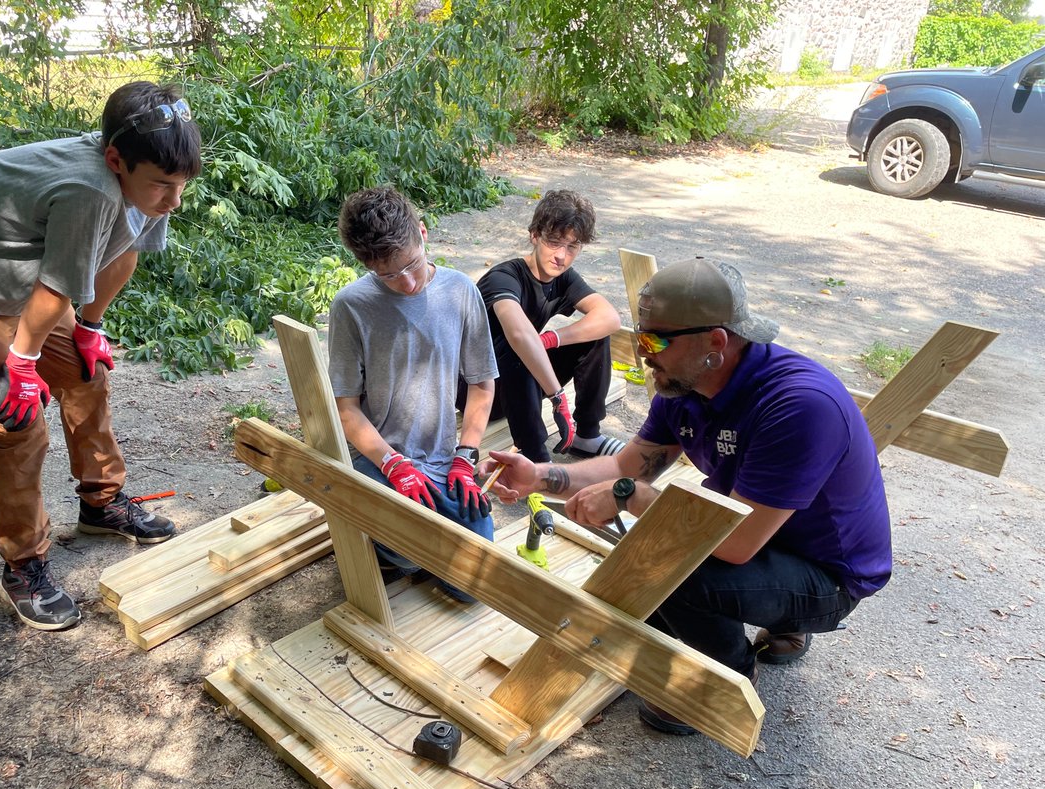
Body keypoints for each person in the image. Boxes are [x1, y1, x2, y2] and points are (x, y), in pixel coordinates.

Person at [480, 257, 892, 734]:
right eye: (639, 337)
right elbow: (623, 465)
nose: (642, 353)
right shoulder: (685, 385)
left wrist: (628, 495)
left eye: (654, 341)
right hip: (766, 531)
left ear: (715, 342)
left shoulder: (799, 407)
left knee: (663, 567)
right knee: (656, 592)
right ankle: (772, 618)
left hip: (830, 574)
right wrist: (539, 476)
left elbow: (734, 545)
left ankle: (723, 685)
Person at [0, 81, 202, 631]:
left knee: (87, 371)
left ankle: (100, 503)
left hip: (19, 263)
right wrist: (19, 364)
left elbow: (124, 252)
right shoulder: (93, 189)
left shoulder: (153, 173)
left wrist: (89, 327)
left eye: (182, 186)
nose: (174, 200)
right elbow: (56, 287)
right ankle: (23, 564)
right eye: (163, 187)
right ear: (115, 159)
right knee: (17, 413)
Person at [330, 186, 498, 603]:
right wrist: (391, 463)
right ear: (365, 264)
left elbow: (481, 384)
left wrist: (466, 455)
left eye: (411, 265)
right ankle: (394, 546)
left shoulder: (460, 292)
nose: (405, 283)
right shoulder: (351, 306)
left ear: (422, 234)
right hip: (377, 458)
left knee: (470, 587)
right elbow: (346, 409)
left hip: (442, 461)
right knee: (413, 549)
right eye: (388, 275)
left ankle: (403, 539)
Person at [471, 189, 624, 464]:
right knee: (518, 344)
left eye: (572, 247)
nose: (562, 256)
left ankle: (587, 437)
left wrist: (552, 339)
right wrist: (557, 396)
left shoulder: (563, 278)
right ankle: (536, 460)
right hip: (477, 391)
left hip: (520, 386)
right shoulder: (504, 278)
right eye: (554, 242)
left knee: (595, 335)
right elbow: (518, 334)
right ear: (535, 235)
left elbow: (610, 318)